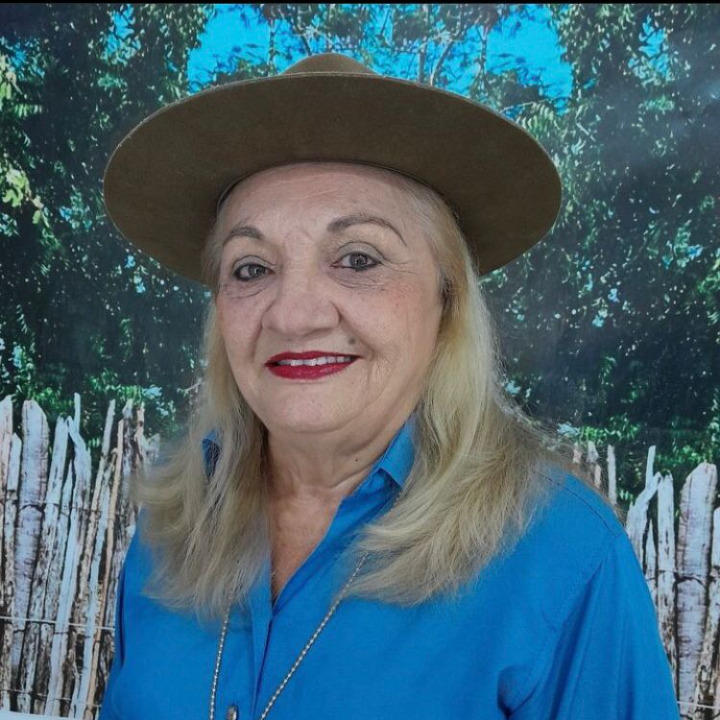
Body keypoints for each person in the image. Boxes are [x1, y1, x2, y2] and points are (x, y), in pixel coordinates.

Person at [98, 53, 680, 720]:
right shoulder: (171, 527)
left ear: (446, 300)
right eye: (251, 268)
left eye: (357, 259)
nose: (293, 315)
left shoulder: (563, 558)